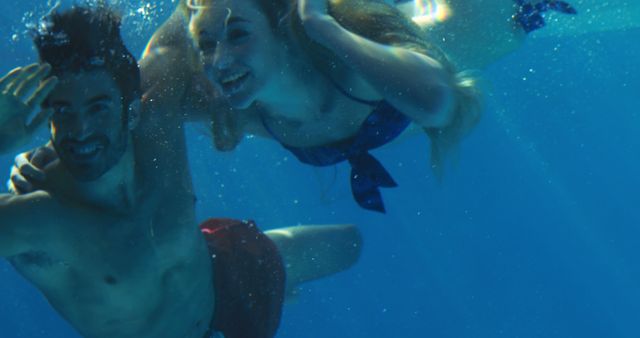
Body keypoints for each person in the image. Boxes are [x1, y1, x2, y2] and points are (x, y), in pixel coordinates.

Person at [0, 6, 361, 338]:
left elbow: (187, 16)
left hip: (230, 276)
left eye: (98, 109)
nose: (80, 130)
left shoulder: (156, 124)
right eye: (62, 111)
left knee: (350, 243)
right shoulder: (39, 220)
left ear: (134, 112)